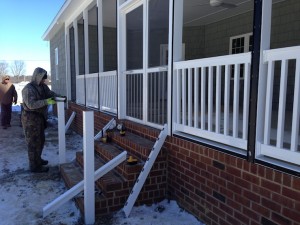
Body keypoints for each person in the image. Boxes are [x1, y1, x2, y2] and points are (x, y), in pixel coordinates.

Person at [21, 67, 59, 173]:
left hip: (40, 118)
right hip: (30, 118)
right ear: (37, 77)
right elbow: (31, 104)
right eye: (42, 78)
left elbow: (50, 94)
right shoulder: (28, 89)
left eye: (44, 78)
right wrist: (46, 102)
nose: (44, 80)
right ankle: (34, 166)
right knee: (33, 142)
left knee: (40, 140)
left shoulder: (43, 87)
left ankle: (38, 159)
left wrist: (59, 97)